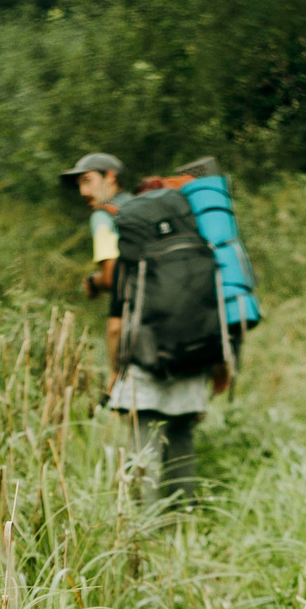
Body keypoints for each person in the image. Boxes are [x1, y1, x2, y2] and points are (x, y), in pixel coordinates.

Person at [61, 151, 226, 508]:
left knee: (142, 450)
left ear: (110, 177)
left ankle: (143, 537)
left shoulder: (109, 221)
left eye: (87, 181)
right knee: (182, 439)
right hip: (193, 346)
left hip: (146, 355)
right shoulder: (167, 217)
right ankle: (186, 527)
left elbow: (115, 292)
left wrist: (115, 370)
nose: (83, 192)